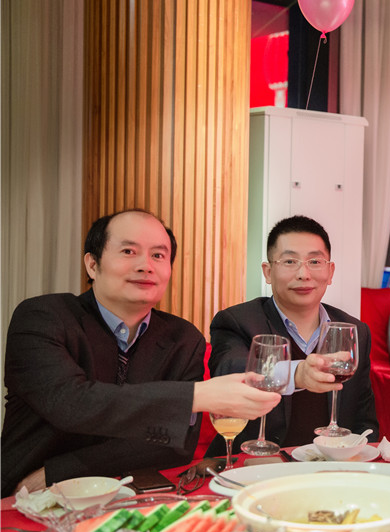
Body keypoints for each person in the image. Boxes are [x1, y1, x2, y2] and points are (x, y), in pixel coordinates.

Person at [1, 210, 280, 497]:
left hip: (128, 493)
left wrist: (57, 471)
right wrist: (196, 396)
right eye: (128, 251)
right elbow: (72, 403)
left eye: (158, 255)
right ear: (93, 264)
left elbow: (176, 446)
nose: (145, 266)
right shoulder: (43, 317)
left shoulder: (183, 338)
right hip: (25, 497)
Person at [206, 215, 378, 455]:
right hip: (254, 465)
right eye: (289, 261)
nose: (303, 274)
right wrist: (296, 374)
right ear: (268, 272)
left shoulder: (354, 331)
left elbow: (364, 421)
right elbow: (231, 373)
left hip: (330, 466)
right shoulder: (238, 321)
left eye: (315, 261)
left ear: (330, 272)